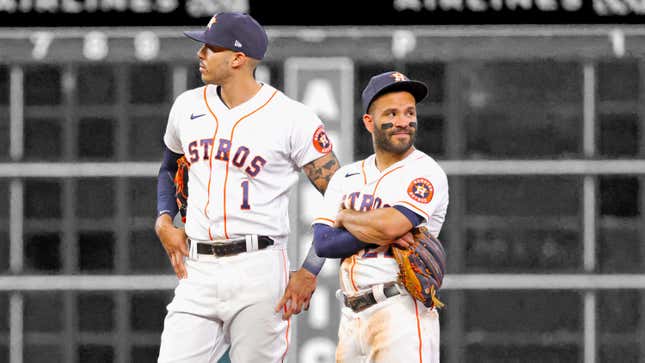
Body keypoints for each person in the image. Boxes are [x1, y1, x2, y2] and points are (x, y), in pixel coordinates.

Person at [154, 12, 339, 363]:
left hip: (260, 268)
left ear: (238, 59)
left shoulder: (291, 117)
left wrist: (310, 269)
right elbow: (168, 167)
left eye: (211, 47)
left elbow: (340, 197)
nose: (201, 53)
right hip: (198, 269)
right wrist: (165, 218)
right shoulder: (187, 106)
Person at [311, 71, 449, 363]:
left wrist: (346, 217)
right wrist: (379, 227)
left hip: (400, 311)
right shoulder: (346, 175)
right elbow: (324, 243)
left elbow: (391, 225)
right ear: (369, 122)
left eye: (409, 112)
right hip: (350, 315)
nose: (403, 121)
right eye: (392, 113)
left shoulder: (426, 171)